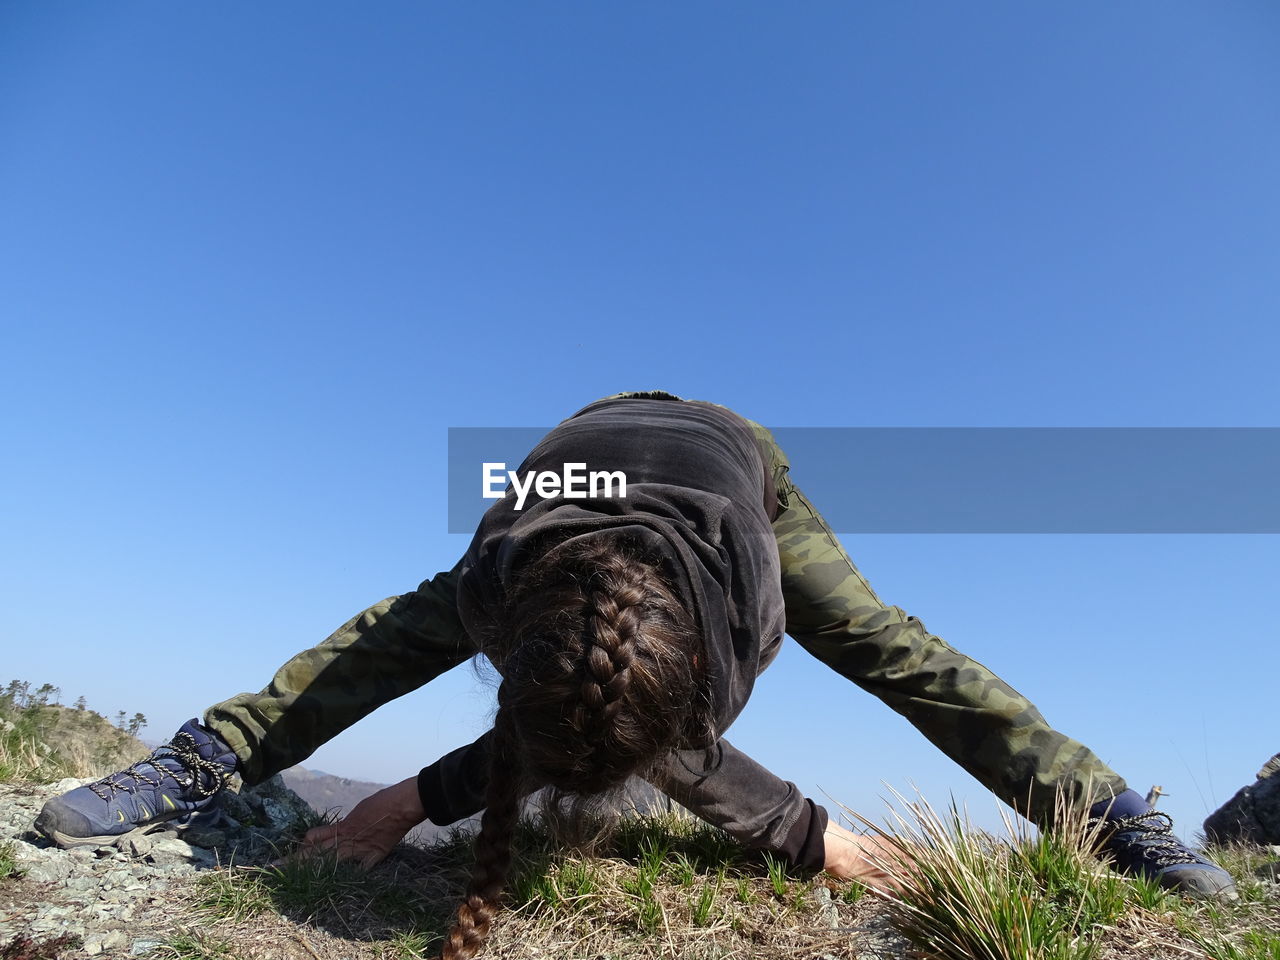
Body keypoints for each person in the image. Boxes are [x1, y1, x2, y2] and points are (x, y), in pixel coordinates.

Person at [36, 391, 1236, 959]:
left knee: (888, 645)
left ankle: (1116, 816)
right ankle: (196, 762)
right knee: (382, 640)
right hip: (571, 464)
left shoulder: (746, 595)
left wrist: (805, 832)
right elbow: (579, 701)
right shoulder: (492, 571)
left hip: (733, 465)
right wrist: (403, 795)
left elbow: (656, 727)